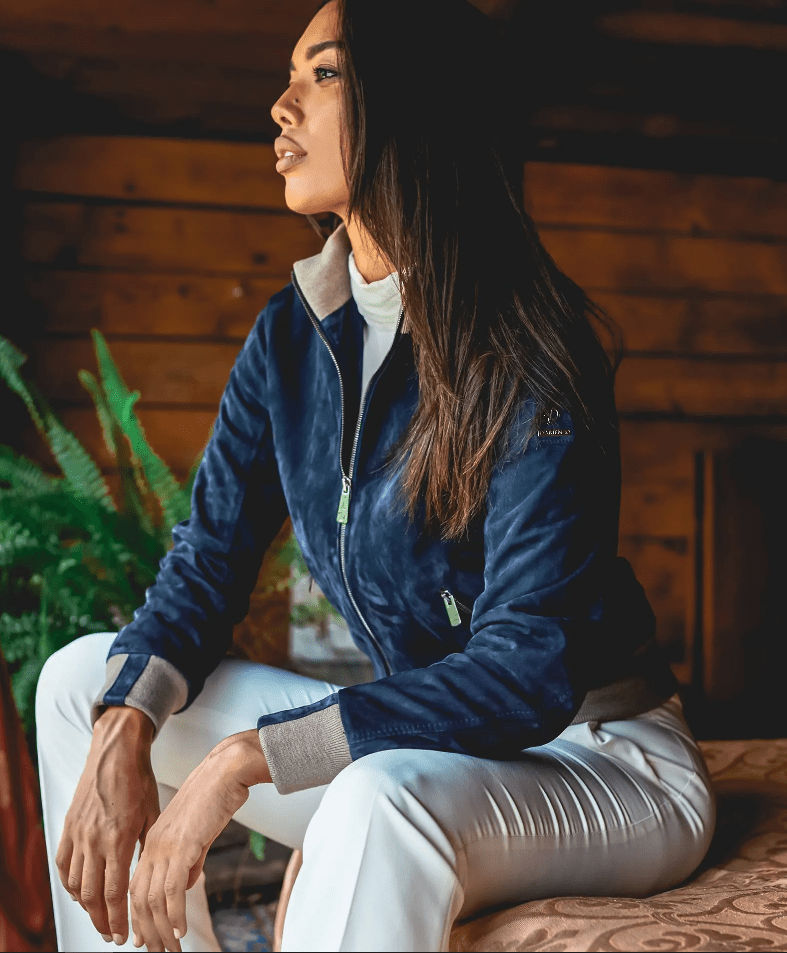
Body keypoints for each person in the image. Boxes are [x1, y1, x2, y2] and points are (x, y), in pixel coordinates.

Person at [35, 1, 716, 951]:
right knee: (83, 685)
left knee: (373, 797)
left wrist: (247, 759)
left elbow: (526, 669)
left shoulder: (528, 344)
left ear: (411, 102)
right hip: (422, 750)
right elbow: (206, 563)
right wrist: (124, 732)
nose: (280, 105)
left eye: (322, 73)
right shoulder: (289, 337)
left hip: (595, 759)